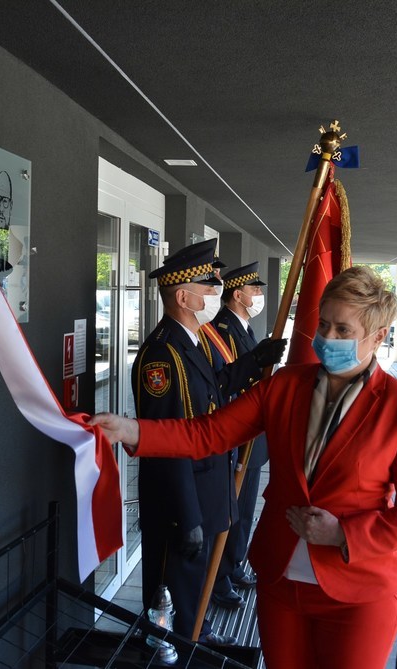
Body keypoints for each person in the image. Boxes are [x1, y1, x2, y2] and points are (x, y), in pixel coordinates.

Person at [93, 266, 397, 668]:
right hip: (280, 583)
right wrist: (132, 429)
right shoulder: (286, 385)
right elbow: (208, 434)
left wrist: (344, 533)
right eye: (324, 324)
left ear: (378, 337)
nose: (327, 338)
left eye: (343, 330)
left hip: (359, 595)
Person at [131, 239, 249, 645]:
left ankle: (197, 635)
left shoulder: (193, 341)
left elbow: (214, 388)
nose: (216, 293)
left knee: (193, 586)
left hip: (205, 487)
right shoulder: (162, 355)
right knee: (173, 593)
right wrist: (188, 516)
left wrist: (256, 361)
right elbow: (168, 441)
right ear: (183, 297)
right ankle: (179, 647)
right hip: (182, 502)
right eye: (208, 287)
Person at [209, 261, 271, 610]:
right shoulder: (222, 330)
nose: (259, 295)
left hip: (253, 436)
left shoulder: (244, 327)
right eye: (254, 289)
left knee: (245, 509)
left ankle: (233, 565)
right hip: (238, 435)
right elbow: (230, 382)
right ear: (237, 295)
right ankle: (219, 577)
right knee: (230, 511)